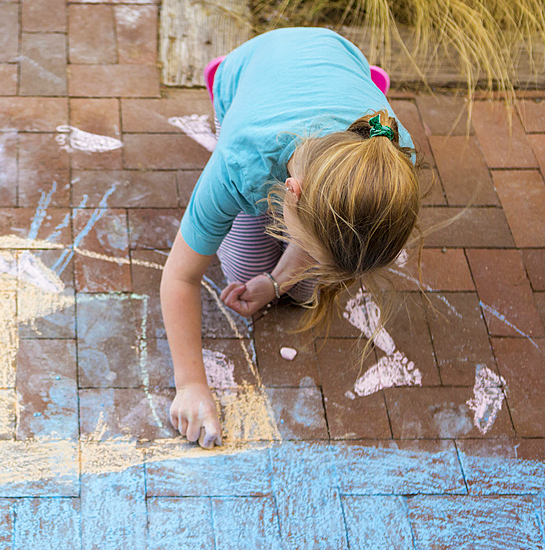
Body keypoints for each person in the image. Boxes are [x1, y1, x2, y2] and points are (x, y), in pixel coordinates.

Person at [160, 27, 421, 448]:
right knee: (244, 267)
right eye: (302, 234)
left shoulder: (390, 159)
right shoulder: (240, 163)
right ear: (291, 193)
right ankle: (221, 78)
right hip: (250, 74)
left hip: (335, 59)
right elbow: (179, 278)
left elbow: (323, 248)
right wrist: (190, 383)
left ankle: (361, 79)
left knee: (308, 286)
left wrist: (279, 281)